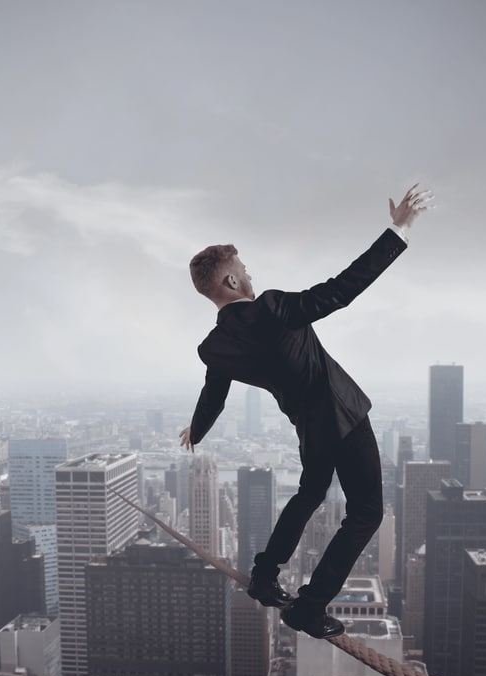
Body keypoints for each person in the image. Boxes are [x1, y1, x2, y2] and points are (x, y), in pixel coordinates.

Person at [179, 184, 432, 638]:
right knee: (366, 513)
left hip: (309, 429)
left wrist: (196, 431)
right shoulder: (272, 308)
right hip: (344, 417)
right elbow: (340, 290)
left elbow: (213, 394)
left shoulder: (214, 347)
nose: (249, 275)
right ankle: (308, 607)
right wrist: (398, 231)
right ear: (232, 282)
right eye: (243, 269)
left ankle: (264, 576)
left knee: (310, 493)